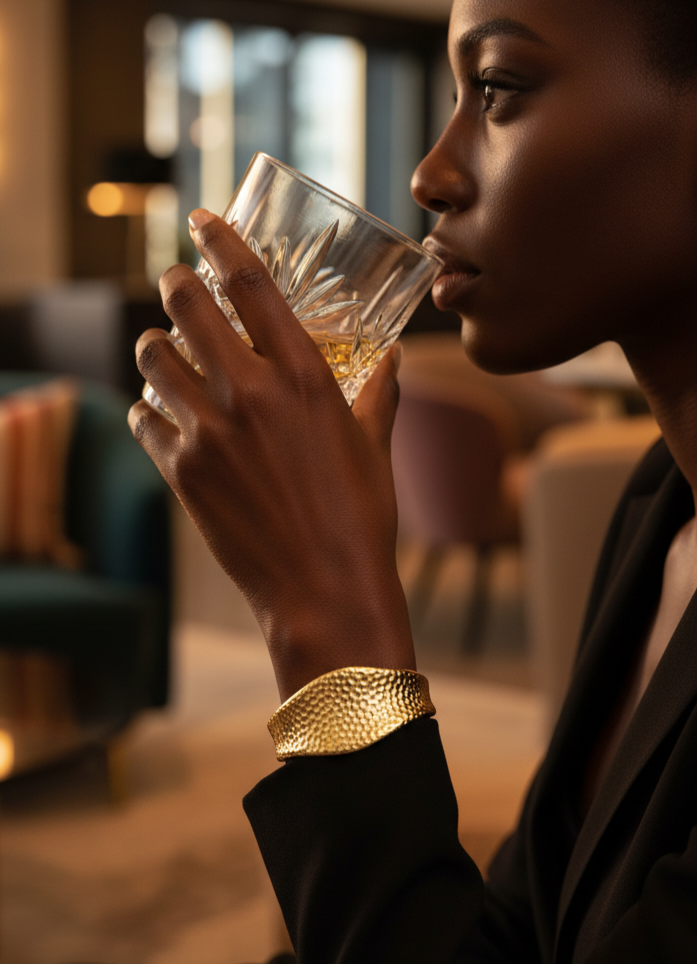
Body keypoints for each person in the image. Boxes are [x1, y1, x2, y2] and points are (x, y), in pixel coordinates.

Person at [127, 0, 697, 959]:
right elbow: (521, 930)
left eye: (497, 88)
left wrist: (327, 623)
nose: (428, 173)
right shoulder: (658, 505)